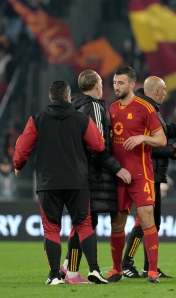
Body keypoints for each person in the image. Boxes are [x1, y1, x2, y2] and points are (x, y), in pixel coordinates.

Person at [13, 81, 108, 285]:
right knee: (84, 225)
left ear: (50, 98)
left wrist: (18, 165)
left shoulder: (37, 120)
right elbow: (99, 145)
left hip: (49, 183)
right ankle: (95, 270)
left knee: (52, 229)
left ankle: (55, 275)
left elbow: (22, 148)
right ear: (67, 97)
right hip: (77, 181)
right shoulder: (81, 119)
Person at [59, 70, 132, 284]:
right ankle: (73, 272)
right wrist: (117, 168)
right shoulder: (94, 106)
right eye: (102, 83)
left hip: (76, 172)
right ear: (97, 85)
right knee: (86, 223)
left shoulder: (75, 106)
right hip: (93, 175)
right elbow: (97, 146)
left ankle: (68, 268)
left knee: (83, 222)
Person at [107, 66, 167, 284]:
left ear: (132, 85)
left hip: (141, 174)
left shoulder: (145, 108)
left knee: (146, 219)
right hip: (119, 176)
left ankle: (152, 271)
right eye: (114, 83)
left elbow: (162, 140)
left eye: (121, 83)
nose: (116, 86)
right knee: (117, 224)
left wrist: (143, 138)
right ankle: (116, 270)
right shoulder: (112, 109)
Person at [121, 76, 176, 279]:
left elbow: (162, 133)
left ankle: (148, 266)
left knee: (151, 221)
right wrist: (173, 151)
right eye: (163, 91)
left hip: (151, 171)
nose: (165, 94)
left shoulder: (149, 107)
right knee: (146, 221)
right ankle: (127, 263)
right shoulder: (143, 109)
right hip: (145, 172)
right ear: (156, 92)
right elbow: (148, 145)